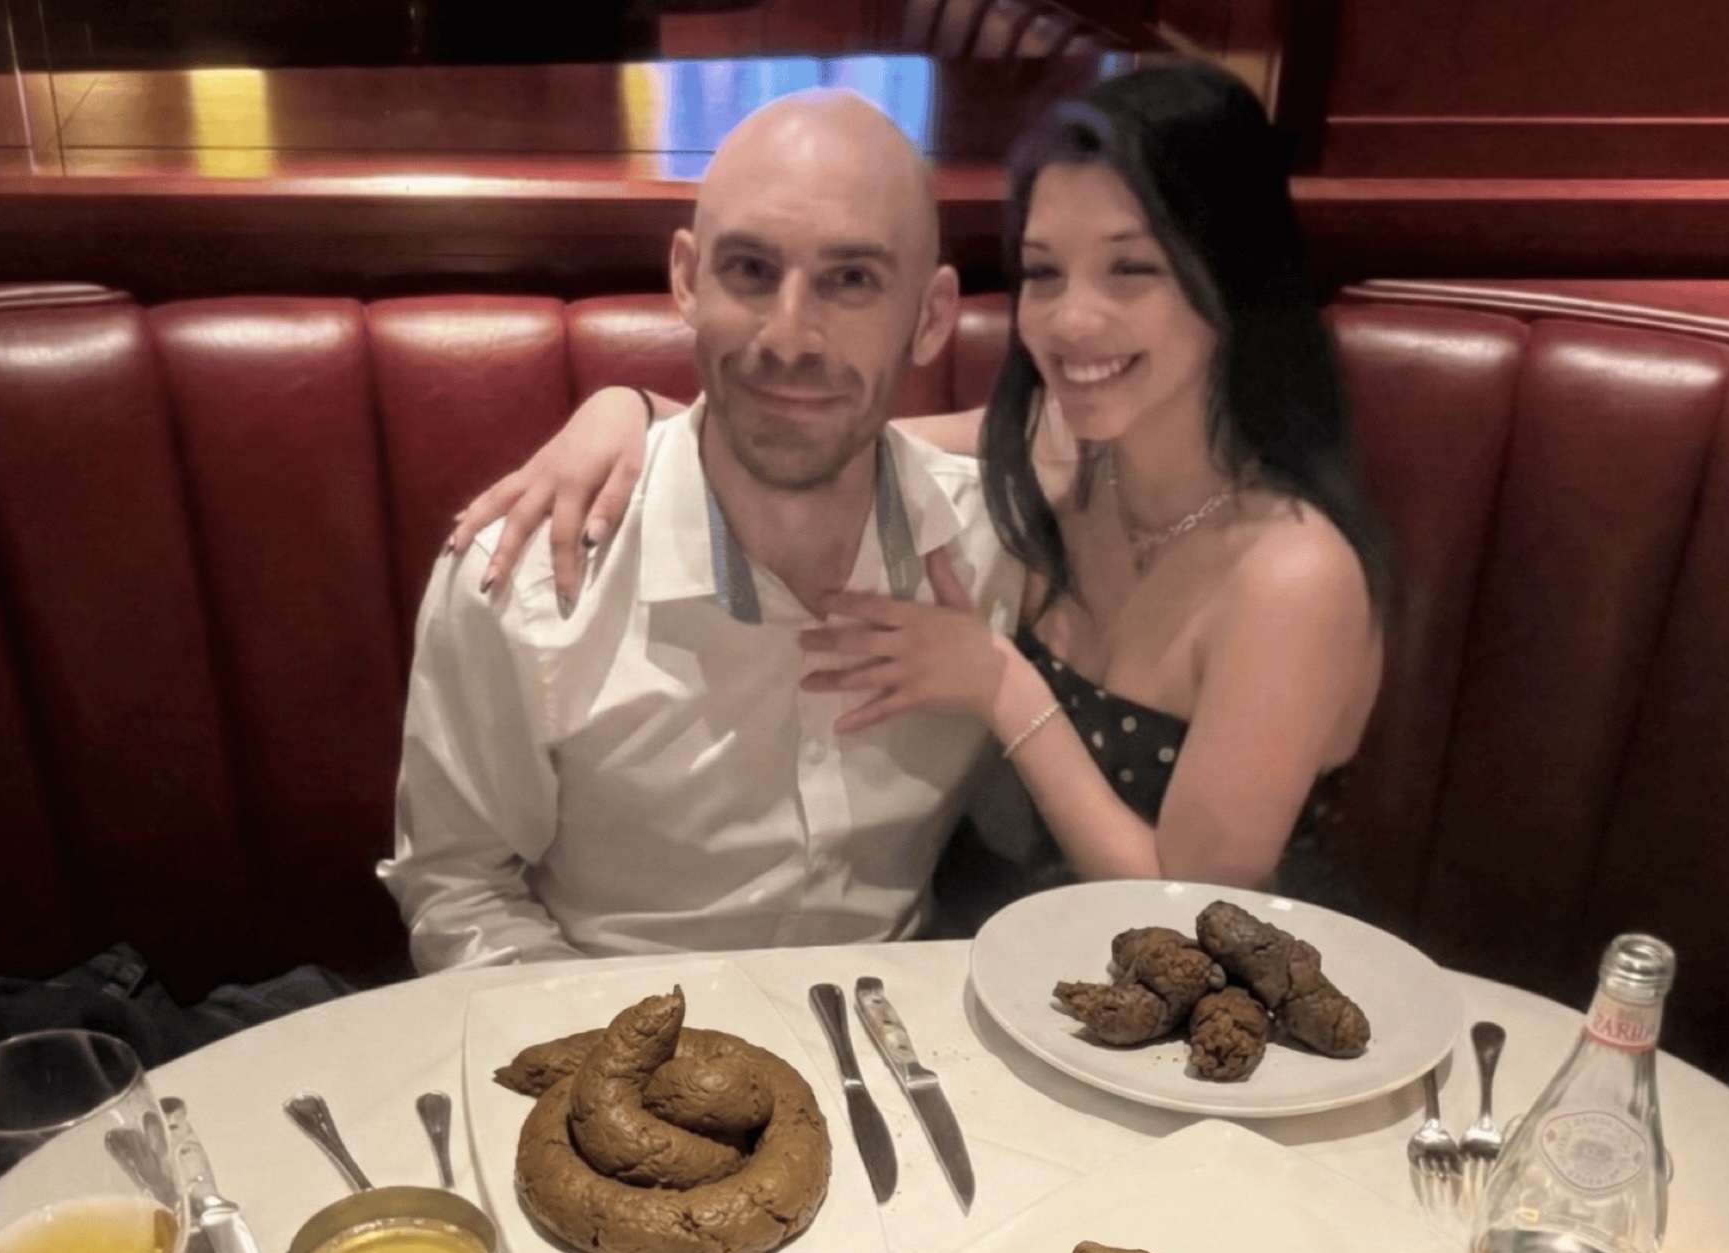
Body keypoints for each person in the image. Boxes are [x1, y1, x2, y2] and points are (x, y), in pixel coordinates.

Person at [454, 64, 1385, 916]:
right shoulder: (1059, 450)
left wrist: (999, 684)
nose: (1070, 319)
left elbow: (1195, 912)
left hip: (1198, 988)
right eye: (1044, 271)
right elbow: (818, 432)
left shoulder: (1291, 574)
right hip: (995, 953)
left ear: (1235, 280)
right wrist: (621, 410)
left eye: (1130, 268)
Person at [380, 91, 1024, 970]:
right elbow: (461, 888)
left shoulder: (998, 551)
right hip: (611, 1020)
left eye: (851, 279)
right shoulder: (526, 579)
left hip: (893, 1025)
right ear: (687, 279)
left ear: (932, 317)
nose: (789, 337)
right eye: (751, 269)